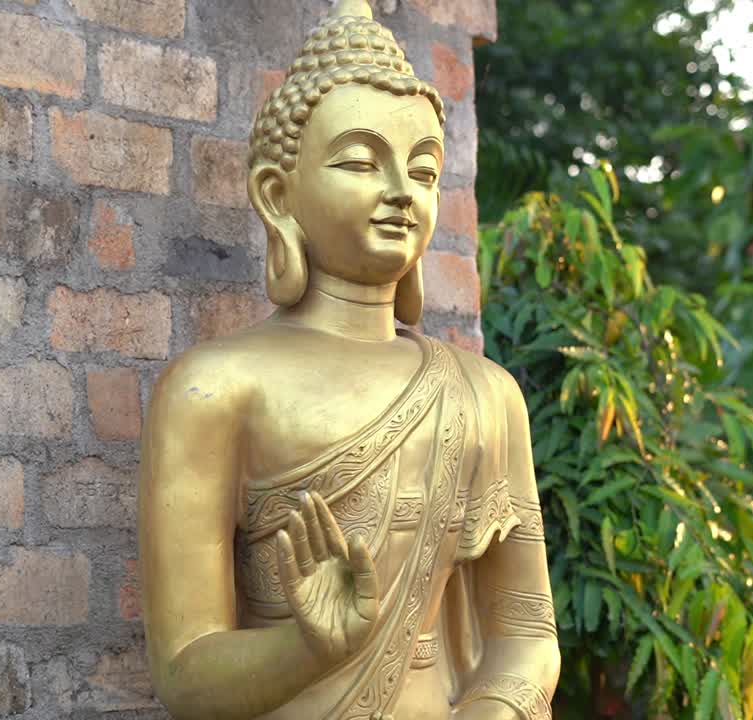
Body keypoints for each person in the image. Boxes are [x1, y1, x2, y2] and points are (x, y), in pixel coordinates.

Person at [139, 2, 560, 718]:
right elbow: (185, 674)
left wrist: (492, 711)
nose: (401, 191)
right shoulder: (214, 388)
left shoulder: (485, 396)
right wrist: (308, 649)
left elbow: (525, 636)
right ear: (279, 195)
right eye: (362, 162)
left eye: (423, 171)